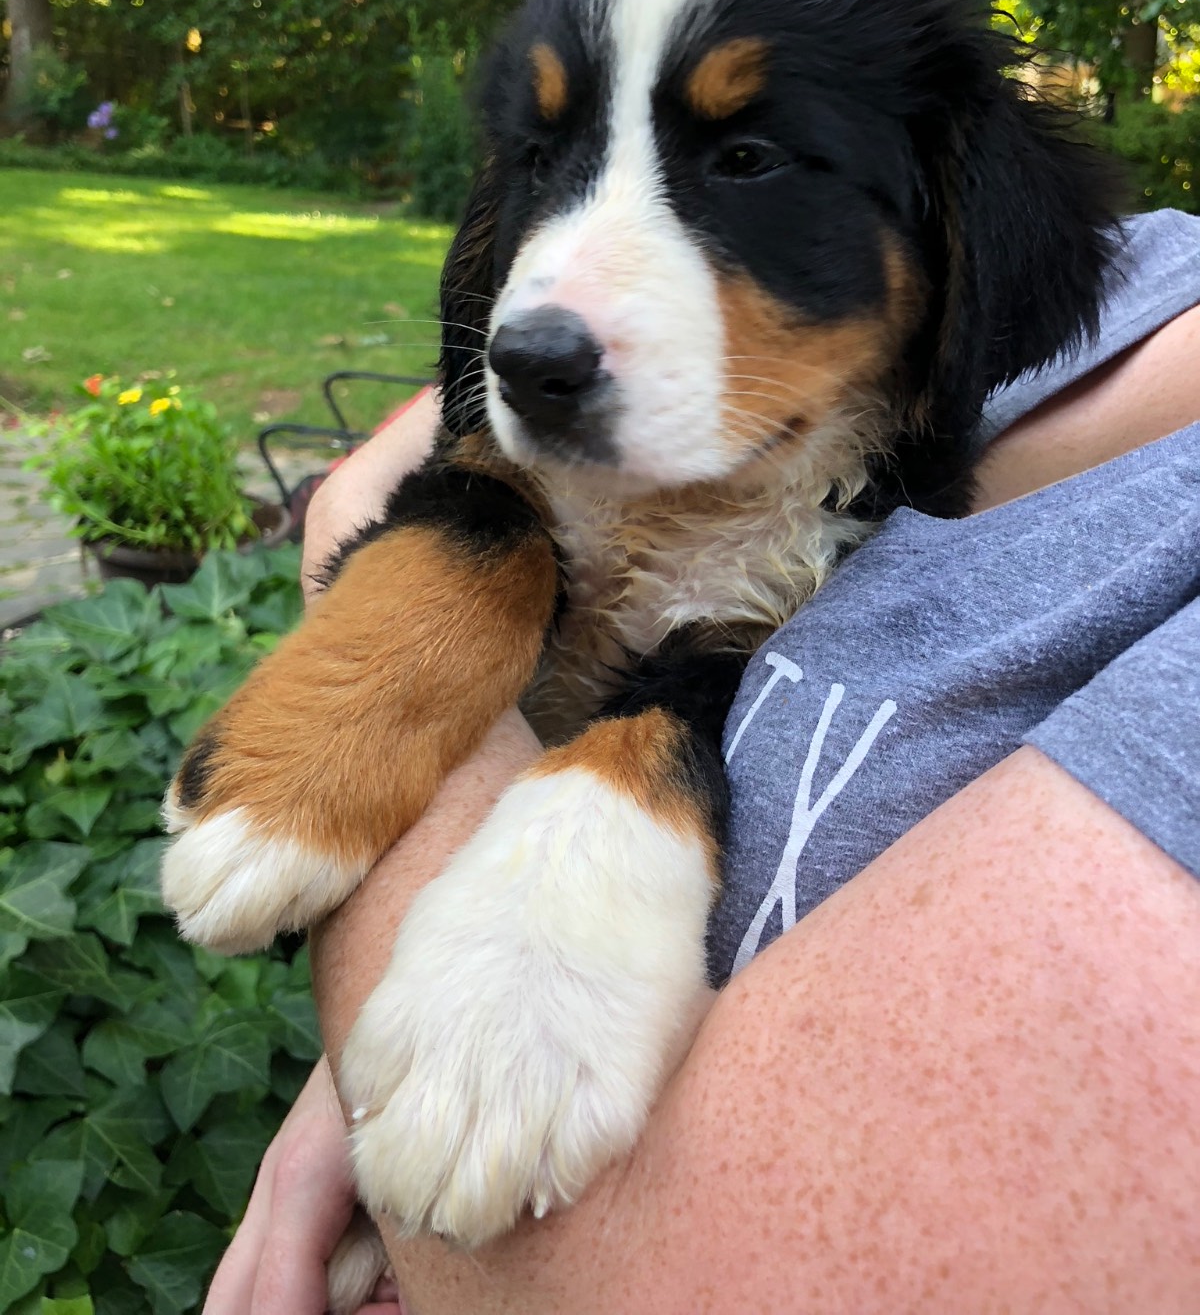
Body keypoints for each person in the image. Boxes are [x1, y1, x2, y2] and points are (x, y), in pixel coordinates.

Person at [206, 209, 1200, 1314]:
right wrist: (383, 1025)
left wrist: (355, 536)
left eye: (745, 167)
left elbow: (586, 1281)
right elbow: (478, 414)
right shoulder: (1097, 264)